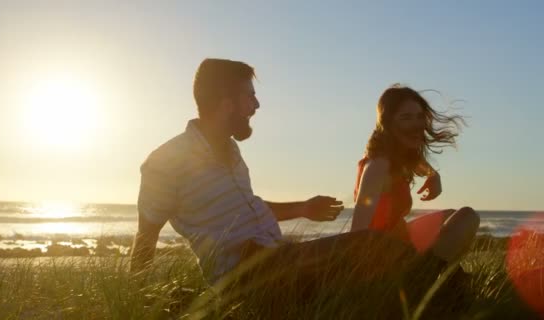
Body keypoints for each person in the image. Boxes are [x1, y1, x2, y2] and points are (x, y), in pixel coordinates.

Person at [130, 59, 417, 298]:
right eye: (250, 96)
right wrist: (136, 302)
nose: (256, 105)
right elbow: (146, 235)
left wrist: (302, 208)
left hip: (279, 260)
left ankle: (438, 294)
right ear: (226, 102)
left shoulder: (231, 150)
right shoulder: (165, 161)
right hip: (247, 276)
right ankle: (443, 294)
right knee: (368, 244)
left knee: (372, 272)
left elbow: (248, 207)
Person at [351, 84, 480, 265]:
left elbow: (420, 164)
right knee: (468, 216)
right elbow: (357, 232)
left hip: (397, 241)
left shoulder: (397, 156)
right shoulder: (378, 166)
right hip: (382, 256)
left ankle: (436, 274)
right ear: (388, 123)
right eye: (406, 118)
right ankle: (429, 277)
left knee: (454, 216)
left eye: (419, 117)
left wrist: (434, 176)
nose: (416, 125)